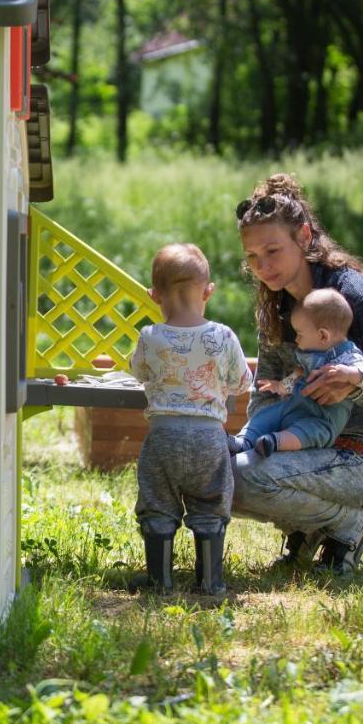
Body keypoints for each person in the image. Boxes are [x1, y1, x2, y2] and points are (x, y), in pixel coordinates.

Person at [233, 174, 363, 575]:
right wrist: (257, 435)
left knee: (244, 478)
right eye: (252, 257)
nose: (262, 267)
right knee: (218, 472)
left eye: (272, 250)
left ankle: (350, 525)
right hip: (300, 447)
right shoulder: (277, 304)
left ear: (303, 236)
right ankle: (309, 528)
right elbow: (263, 397)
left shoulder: (360, 299)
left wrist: (357, 385)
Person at [129, 243, 253, 595]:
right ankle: (210, 581)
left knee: (157, 501)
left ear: (155, 296)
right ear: (208, 291)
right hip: (208, 439)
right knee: (211, 503)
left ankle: (159, 580)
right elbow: (242, 383)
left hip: (163, 438)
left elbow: (138, 371)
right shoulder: (223, 336)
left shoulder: (150, 337)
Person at [230, 288, 363, 457]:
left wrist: (351, 375)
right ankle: (243, 441)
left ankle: (273, 442)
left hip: (320, 419)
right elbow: (299, 377)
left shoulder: (349, 358)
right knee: (266, 415)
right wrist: (280, 386)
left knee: (308, 433)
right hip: (293, 406)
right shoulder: (310, 354)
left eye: (300, 334)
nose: (296, 340)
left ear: (323, 336)